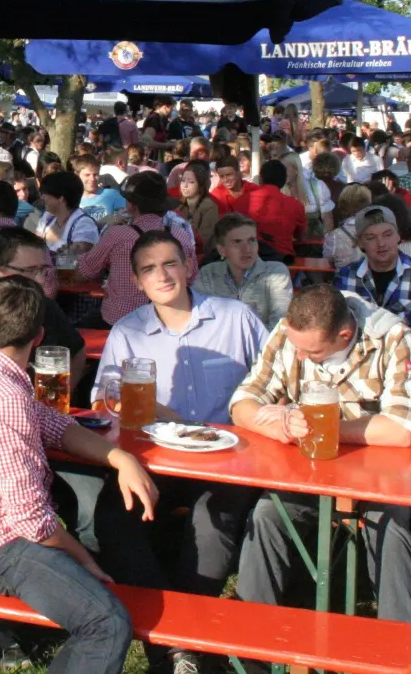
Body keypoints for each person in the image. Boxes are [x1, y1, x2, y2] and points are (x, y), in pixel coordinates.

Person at [0, 275, 160, 674]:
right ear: (39, 337)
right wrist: (84, 559)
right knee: (107, 623)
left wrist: (119, 458)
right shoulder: (6, 397)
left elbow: (55, 425)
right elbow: (30, 521)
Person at [92, 231, 267, 672]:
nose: (162, 275)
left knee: (211, 525)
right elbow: (103, 400)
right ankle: (174, 646)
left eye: (169, 263)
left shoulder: (235, 317)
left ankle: (181, 641)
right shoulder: (128, 330)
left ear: (188, 265)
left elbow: (275, 381)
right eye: (149, 268)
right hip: (157, 458)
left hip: (229, 460)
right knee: (115, 515)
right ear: (136, 280)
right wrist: (122, 404)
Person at [230, 284, 411, 624]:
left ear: (344, 335)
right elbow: (242, 403)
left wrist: (322, 428)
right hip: (308, 471)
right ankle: (250, 646)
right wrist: (276, 424)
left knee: (391, 530)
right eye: (297, 348)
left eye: (313, 352)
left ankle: (397, 647)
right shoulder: (289, 332)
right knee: (265, 517)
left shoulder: (391, 336)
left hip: (379, 477)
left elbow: (401, 429)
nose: (301, 356)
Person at [0, 228, 89, 395]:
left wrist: (60, 398)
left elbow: (77, 351)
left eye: (43, 270)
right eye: (30, 270)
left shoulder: (45, 306)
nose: (40, 280)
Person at [76, 171, 197, 325]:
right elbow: (192, 277)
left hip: (120, 321)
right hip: (169, 320)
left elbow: (84, 272)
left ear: (131, 205)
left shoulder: (117, 234)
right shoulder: (180, 235)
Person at [332, 204, 411, 348]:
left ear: (398, 236)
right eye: (371, 237)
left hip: (406, 363)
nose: (381, 243)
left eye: (387, 234)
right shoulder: (344, 277)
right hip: (358, 364)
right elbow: (336, 332)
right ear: (360, 242)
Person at [192, 213, 293, 329]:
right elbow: (200, 320)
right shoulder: (208, 274)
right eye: (237, 242)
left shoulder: (275, 272)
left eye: (252, 240)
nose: (246, 249)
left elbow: (279, 325)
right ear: (221, 250)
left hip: (264, 345)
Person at [233, 159, 307, 261]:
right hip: (283, 263)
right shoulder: (296, 205)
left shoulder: (241, 201)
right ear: (284, 180)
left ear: (260, 179)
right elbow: (301, 236)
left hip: (247, 261)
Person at [33, 170, 99, 255]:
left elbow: (77, 257)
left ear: (61, 198)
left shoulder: (84, 224)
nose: (42, 197)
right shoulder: (47, 217)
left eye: (45, 193)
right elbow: (34, 246)